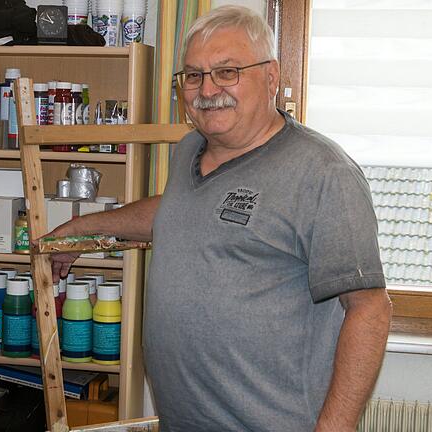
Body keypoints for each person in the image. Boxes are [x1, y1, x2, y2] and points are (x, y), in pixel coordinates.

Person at [46, 5, 392, 431]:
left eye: (227, 72)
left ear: (271, 76)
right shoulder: (191, 148)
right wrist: (84, 228)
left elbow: (370, 310)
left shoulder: (323, 173)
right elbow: (178, 212)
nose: (207, 90)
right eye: (193, 75)